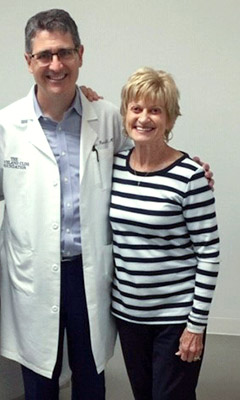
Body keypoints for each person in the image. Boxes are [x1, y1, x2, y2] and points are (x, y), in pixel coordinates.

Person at [0, 9, 132, 399]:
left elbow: (142, 166)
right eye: (44, 55)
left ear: (80, 54)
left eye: (65, 52)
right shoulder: (4, 126)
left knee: (90, 375)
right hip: (32, 273)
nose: (55, 65)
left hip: (89, 271)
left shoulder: (108, 118)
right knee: (39, 377)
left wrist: (186, 168)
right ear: (28, 61)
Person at [110, 67, 220, 399]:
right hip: (129, 316)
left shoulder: (190, 176)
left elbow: (209, 253)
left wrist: (195, 326)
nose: (144, 118)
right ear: (125, 114)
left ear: (170, 119)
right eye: (136, 108)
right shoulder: (112, 167)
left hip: (175, 318)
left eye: (155, 110)